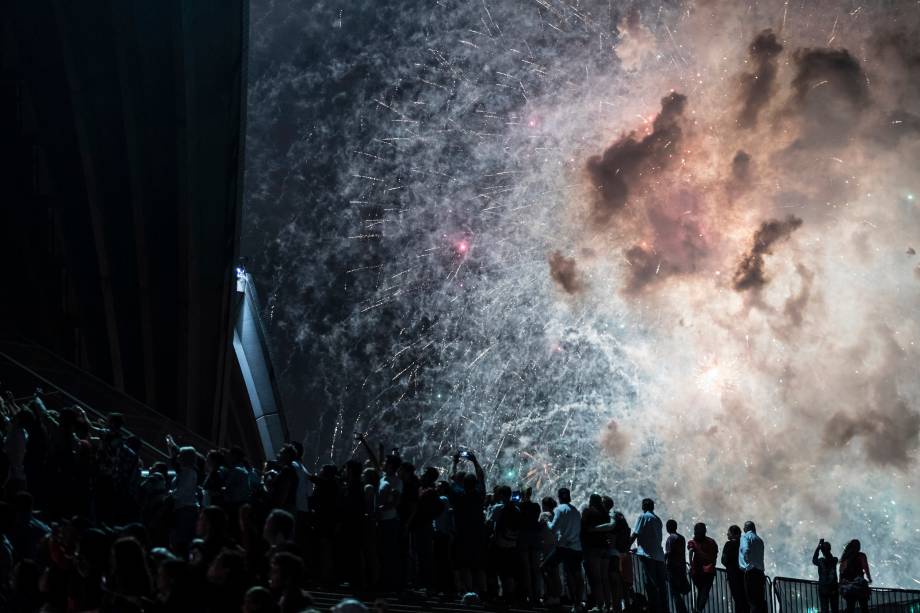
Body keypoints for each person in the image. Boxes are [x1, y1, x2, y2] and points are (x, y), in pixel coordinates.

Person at [544, 487, 584, 610]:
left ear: (559, 497)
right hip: (577, 548)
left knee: (546, 567)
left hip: (564, 548)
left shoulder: (559, 510)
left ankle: (554, 595)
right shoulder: (576, 511)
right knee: (576, 575)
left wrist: (546, 521)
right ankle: (577, 603)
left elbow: (552, 528)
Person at [631, 498, 667, 613]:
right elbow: (654, 538)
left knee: (650, 584)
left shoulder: (643, 517)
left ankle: (654, 608)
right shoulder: (658, 519)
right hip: (659, 556)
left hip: (648, 555)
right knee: (661, 585)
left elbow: (635, 533)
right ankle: (664, 608)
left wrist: (626, 547)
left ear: (643, 506)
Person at [581, 494, 612, 611]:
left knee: (597, 579)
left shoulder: (588, 512)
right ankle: (608, 605)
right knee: (605, 578)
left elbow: (582, 528)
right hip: (605, 548)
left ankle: (599, 605)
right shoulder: (605, 514)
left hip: (593, 548)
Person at [687, 523, 718, 613]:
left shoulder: (693, 542)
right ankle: (699, 609)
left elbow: (691, 551)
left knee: (701, 590)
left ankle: (697, 609)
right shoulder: (711, 541)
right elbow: (715, 554)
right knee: (704, 591)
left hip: (696, 570)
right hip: (709, 570)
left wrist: (691, 564)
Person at [739, 521, 766, 613]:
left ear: (746, 528)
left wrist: (747, 562)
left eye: (744, 527)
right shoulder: (759, 540)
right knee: (759, 601)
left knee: (751, 601)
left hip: (751, 571)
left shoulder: (745, 537)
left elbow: (745, 549)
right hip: (760, 572)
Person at [839, 540, 871, 612]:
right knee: (864, 607)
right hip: (859, 585)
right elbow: (866, 568)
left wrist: (840, 584)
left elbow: (841, 572)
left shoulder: (845, 558)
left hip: (848, 586)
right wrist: (869, 578)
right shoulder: (861, 556)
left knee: (850, 607)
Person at [665, 519, 690, 613]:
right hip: (681, 567)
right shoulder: (682, 538)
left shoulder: (670, 538)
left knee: (674, 592)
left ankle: (681, 610)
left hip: (673, 568)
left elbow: (669, 553)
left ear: (668, 528)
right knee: (679, 591)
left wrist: (663, 561)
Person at [722, 525, 748, 613]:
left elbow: (724, 560)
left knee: (737, 598)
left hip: (733, 575)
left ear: (733, 534)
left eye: (728, 533)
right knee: (744, 598)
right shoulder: (744, 543)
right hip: (744, 574)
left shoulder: (729, 544)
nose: (727, 534)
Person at [813, 539, 839, 613]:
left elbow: (814, 560)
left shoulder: (821, 561)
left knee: (825, 609)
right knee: (835, 609)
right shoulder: (835, 560)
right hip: (833, 588)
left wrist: (818, 547)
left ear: (822, 551)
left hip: (823, 588)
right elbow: (830, 557)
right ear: (830, 549)